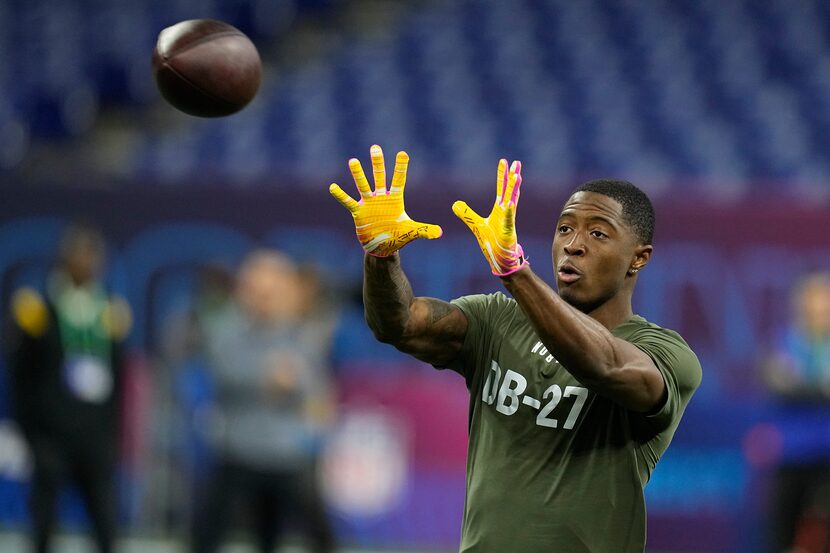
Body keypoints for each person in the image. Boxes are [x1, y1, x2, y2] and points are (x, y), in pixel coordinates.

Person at [328, 145, 702, 552]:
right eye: (565, 228)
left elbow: (605, 366)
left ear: (638, 259)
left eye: (598, 233)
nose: (574, 244)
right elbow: (399, 324)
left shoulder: (666, 354)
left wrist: (515, 272)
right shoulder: (496, 319)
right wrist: (381, 255)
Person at [191, 249, 336, 553]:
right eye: (257, 290)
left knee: (312, 534)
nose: (264, 298)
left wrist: (292, 381)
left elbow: (313, 383)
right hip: (237, 448)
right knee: (207, 532)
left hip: (286, 452)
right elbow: (221, 370)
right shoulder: (226, 328)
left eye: (272, 291)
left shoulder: (302, 333)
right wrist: (265, 378)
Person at [7, 222, 130, 553]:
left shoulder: (108, 314)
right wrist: (31, 435)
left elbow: (119, 382)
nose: (86, 263)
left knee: (105, 524)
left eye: (92, 256)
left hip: (95, 439)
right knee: (44, 523)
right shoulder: (39, 311)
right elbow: (21, 378)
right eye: (78, 255)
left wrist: (113, 436)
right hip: (52, 438)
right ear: (63, 259)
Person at [761, 271, 830, 553]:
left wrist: (800, 383)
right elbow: (776, 380)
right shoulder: (784, 341)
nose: (816, 311)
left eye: (822, 305)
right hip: (791, 453)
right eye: (810, 304)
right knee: (782, 535)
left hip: (826, 455)